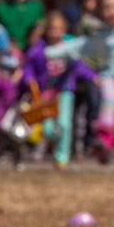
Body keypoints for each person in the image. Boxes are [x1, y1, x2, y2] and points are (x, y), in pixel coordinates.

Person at [45, 0, 114, 164]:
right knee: (109, 99)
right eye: (107, 8)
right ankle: (104, 141)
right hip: (111, 77)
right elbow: (81, 45)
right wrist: (50, 52)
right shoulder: (103, 35)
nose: (112, 11)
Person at [22, 11, 97, 169]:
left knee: (64, 124)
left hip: (64, 91)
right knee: (48, 129)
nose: (55, 33)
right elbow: (28, 67)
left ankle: (62, 157)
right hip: (46, 93)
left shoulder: (68, 48)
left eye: (58, 29)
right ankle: (55, 146)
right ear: (46, 30)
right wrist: (29, 79)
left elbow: (79, 65)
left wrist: (93, 76)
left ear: (64, 30)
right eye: (52, 29)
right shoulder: (39, 48)